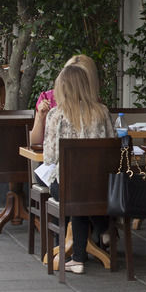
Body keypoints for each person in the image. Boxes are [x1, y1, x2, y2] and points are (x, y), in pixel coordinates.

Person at [42, 64, 114, 274]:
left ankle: (78, 258)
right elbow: (111, 147)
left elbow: (49, 156)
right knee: (83, 192)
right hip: (100, 187)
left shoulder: (57, 115)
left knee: (73, 191)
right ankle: (103, 228)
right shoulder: (102, 112)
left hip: (70, 187)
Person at [30, 54, 99, 146]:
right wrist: (40, 118)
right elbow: (35, 142)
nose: (74, 82)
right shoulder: (48, 99)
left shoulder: (97, 107)